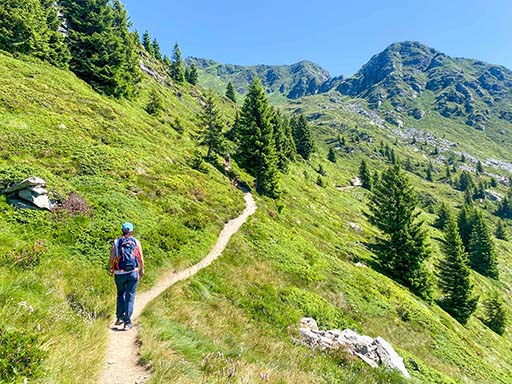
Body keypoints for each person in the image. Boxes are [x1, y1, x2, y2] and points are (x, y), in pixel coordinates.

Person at [109, 222, 144, 330]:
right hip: (133, 272)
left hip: (119, 273)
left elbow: (111, 259)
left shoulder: (116, 242)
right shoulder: (136, 242)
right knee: (130, 296)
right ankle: (127, 323)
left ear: (122, 230)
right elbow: (141, 259)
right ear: (132, 231)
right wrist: (141, 270)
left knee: (120, 293)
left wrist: (111, 269)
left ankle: (119, 317)